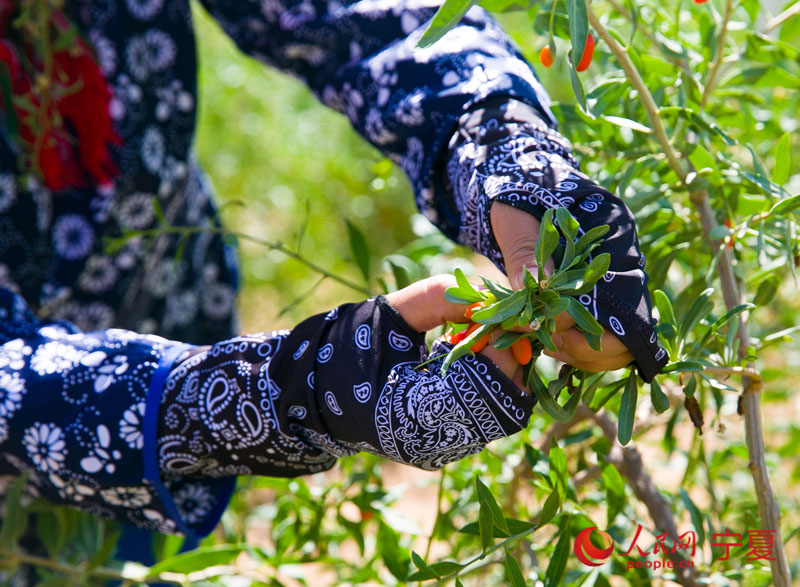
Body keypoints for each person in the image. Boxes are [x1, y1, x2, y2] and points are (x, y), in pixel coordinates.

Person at [0, 0, 667, 548]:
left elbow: (371, 21)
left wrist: (508, 159)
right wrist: (294, 391)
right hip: (128, 421)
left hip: (168, 335)